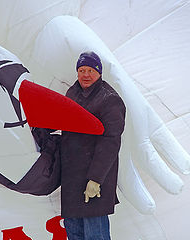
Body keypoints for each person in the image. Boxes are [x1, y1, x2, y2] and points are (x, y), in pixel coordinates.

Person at [60, 51, 126, 239]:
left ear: (99, 72)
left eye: (90, 70)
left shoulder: (109, 99)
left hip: (94, 181)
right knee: (74, 233)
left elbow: (111, 141)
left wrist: (96, 179)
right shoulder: (72, 93)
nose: (86, 75)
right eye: (82, 70)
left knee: (95, 234)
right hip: (72, 179)